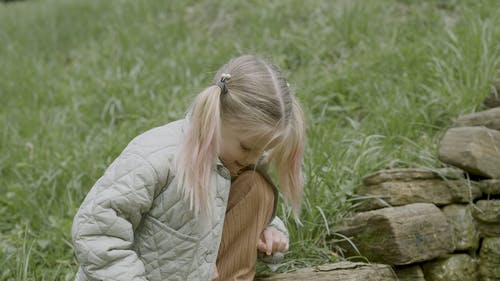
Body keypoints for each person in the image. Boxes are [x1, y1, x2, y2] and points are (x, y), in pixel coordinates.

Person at [71, 55, 306, 281]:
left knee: (257, 188)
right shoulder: (157, 158)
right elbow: (95, 231)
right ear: (217, 117)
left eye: (262, 151)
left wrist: (270, 234)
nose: (254, 158)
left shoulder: (233, 162)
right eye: (247, 147)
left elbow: (223, 202)